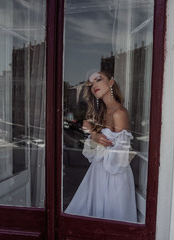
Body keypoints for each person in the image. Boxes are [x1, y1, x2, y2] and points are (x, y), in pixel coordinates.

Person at [65, 70, 137, 222]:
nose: (94, 86)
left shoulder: (120, 113)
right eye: (91, 84)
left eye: (98, 80)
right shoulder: (101, 113)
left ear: (111, 82)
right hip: (97, 174)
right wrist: (93, 136)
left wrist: (93, 133)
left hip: (114, 178)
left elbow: (119, 160)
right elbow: (91, 155)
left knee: (112, 222)